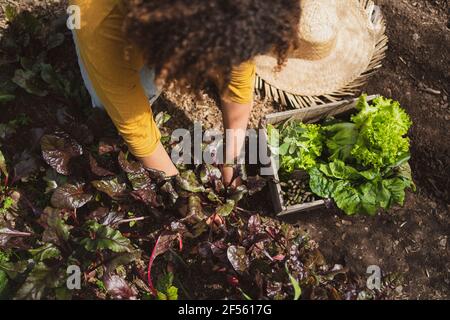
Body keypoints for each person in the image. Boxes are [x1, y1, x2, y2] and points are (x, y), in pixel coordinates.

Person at [70, 0, 301, 185]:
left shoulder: (240, 9)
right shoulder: (99, 20)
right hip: (109, 21)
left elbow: (240, 70)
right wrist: (179, 192)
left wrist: (231, 158)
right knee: (115, 99)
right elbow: (136, 128)